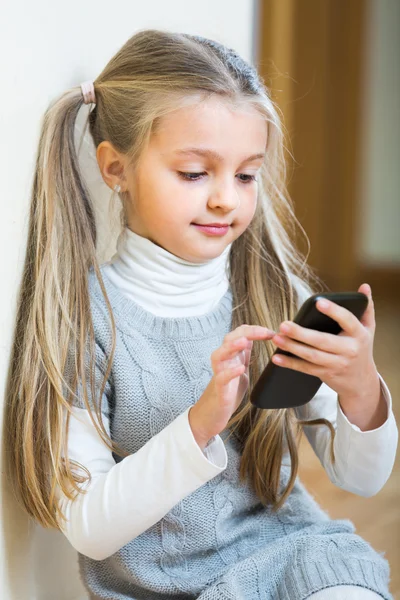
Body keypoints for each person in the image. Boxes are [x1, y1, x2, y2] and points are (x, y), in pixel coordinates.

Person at [5, 29, 398, 600]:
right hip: (161, 589)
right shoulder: (85, 320)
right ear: (115, 168)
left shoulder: (268, 288)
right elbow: (91, 528)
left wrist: (362, 391)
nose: (226, 199)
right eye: (195, 173)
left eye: (246, 175)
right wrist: (200, 424)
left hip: (290, 555)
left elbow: (362, 479)